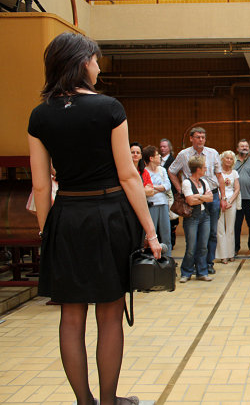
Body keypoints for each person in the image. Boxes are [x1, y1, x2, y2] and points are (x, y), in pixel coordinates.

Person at [28, 32, 161, 405]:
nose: (99, 67)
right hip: (109, 215)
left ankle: (83, 402)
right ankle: (108, 400)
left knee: (71, 316)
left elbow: (41, 184)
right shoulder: (109, 108)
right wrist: (151, 232)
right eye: (95, 59)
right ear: (82, 62)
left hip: (66, 215)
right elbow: (128, 176)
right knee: (109, 314)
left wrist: (46, 232)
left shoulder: (40, 114)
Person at [168, 127, 226, 274]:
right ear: (191, 138)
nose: (201, 139)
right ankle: (192, 266)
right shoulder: (183, 154)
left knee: (212, 232)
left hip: (212, 196)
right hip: (192, 197)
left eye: (203, 137)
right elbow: (172, 171)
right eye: (198, 137)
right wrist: (180, 189)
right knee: (194, 235)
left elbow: (219, 176)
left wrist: (223, 197)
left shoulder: (213, 153)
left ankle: (208, 264)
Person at [180, 155, 213, 283]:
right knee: (191, 247)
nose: (205, 169)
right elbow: (190, 201)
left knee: (203, 246)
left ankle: (202, 272)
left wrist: (198, 196)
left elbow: (211, 198)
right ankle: (186, 272)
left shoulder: (204, 182)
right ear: (198, 169)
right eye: (204, 167)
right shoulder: (186, 182)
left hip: (205, 217)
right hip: (192, 218)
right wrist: (203, 197)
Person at [142, 145, 172, 256]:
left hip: (163, 204)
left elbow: (167, 186)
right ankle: (150, 258)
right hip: (151, 205)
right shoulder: (144, 172)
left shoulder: (162, 170)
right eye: (157, 154)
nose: (159, 156)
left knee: (166, 234)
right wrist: (160, 188)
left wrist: (154, 187)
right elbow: (146, 189)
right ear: (151, 158)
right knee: (151, 234)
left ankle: (168, 259)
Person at [233, 139, 250, 256]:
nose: (244, 148)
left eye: (246, 146)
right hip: (235, 199)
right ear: (237, 149)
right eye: (242, 146)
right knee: (236, 225)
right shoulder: (231, 160)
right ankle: (235, 248)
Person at [216, 150, 240, 263]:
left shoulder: (234, 173)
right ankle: (222, 255)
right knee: (220, 229)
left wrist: (230, 201)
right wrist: (222, 200)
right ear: (222, 159)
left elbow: (237, 189)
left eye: (231, 158)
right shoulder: (217, 172)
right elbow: (216, 188)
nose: (229, 160)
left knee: (230, 229)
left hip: (231, 202)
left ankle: (230, 253)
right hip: (219, 201)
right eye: (227, 158)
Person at [159, 138, 178, 248]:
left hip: (171, 191)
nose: (162, 148)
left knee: (172, 217)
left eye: (164, 146)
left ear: (169, 148)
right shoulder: (157, 160)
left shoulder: (173, 160)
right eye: (161, 146)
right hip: (160, 193)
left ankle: (172, 241)